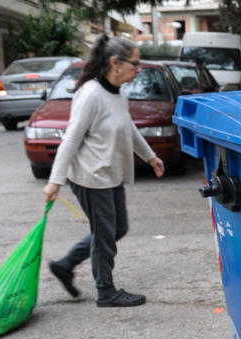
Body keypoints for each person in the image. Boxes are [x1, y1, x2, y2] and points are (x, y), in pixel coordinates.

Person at [43, 35, 164, 307]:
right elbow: (71, 139)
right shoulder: (91, 94)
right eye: (135, 63)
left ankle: (65, 265)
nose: (139, 68)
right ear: (115, 63)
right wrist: (55, 181)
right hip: (90, 176)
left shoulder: (116, 93)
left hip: (109, 173)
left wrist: (150, 156)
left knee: (116, 228)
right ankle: (105, 291)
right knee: (106, 234)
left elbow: (128, 127)